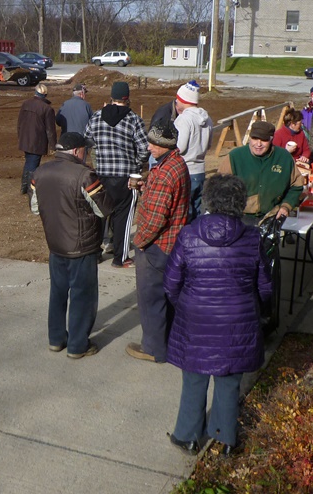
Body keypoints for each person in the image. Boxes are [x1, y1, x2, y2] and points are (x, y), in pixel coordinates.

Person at [164, 174, 273, 456]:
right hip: (238, 321)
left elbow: (171, 282)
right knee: (229, 382)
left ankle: (187, 436)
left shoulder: (188, 234)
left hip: (196, 319)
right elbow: (264, 285)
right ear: (240, 203)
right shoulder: (251, 237)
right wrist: (254, 310)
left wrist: (186, 304)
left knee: (194, 379)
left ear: (209, 200)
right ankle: (224, 440)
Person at [30, 132, 114, 359]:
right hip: (82, 246)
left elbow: (35, 208)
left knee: (57, 293)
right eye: (84, 150)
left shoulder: (39, 172)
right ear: (77, 151)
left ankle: (56, 339)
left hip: (55, 245)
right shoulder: (85, 176)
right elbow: (104, 209)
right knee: (82, 296)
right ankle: (78, 345)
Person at [125, 118, 190, 363]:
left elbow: (156, 218)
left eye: (153, 144)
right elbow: (167, 201)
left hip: (157, 247)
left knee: (150, 298)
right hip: (172, 245)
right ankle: (169, 342)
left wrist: (139, 243)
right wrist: (145, 186)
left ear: (166, 145)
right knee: (168, 297)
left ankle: (153, 349)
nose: (149, 147)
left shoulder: (164, 174)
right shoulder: (175, 164)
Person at [85, 81, 150, 268]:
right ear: (127, 99)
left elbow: (88, 140)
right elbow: (144, 149)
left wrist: (100, 154)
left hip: (102, 175)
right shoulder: (134, 120)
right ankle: (120, 258)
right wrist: (136, 164)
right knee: (124, 218)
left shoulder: (96, 117)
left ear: (111, 97)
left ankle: (95, 253)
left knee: (99, 215)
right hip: (126, 177)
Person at [217, 121, 303, 222]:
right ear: (249, 138)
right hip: (239, 217)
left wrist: (286, 205)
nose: (258, 144)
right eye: (255, 139)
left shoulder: (284, 158)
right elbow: (218, 187)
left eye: (264, 140)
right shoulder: (234, 157)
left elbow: (296, 185)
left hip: (273, 216)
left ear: (271, 139)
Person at [172, 80, 212, 220]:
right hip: (200, 171)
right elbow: (208, 145)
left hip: (186, 171)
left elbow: (180, 147)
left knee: (184, 214)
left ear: (183, 100)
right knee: (196, 211)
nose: (176, 103)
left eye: (177, 100)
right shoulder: (207, 119)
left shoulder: (183, 119)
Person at [17, 83, 57, 194]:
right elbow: (50, 129)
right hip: (37, 141)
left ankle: (24, 186)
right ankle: (29, 188)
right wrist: (53, 146)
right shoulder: (47, 109)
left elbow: (20, 123)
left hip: (25, 139)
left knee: (29, 162)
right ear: (45, 94)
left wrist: (20, 137)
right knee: (33, 164)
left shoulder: (26, 104)